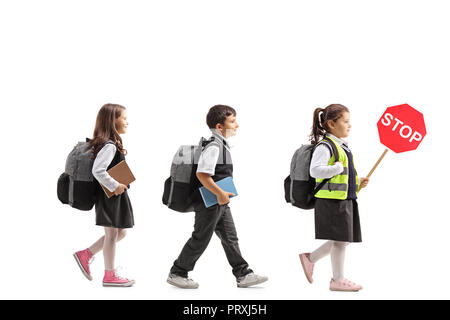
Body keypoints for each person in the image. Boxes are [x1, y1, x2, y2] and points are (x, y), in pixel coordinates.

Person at [167, 105, 268, 289]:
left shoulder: (220, 144)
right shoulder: (214, 146)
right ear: (220, 126)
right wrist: (220, 193)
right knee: (201, 238)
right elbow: (202, 174)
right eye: (232, 121)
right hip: (209, 202)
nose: (237, 125)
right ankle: (178, 272)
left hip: (218, 202)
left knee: (230, 237)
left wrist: (221, 197)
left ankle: (243, 274)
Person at [299, 104, 369, 292]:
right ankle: (337, 279)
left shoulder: (341, 146)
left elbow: (342, 174)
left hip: (343, 198)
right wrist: (336, 168)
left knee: (343, 239)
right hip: (331, 200)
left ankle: (310, 258)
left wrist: (357, 181)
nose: (349, 125)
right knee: (340, 239)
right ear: (331, 123)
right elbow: (315, 170)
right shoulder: (326, 146)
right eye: (345, 121)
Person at [73, 103, 135, 287]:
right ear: (112, 121)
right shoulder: (110, 146)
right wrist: (115, 185)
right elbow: (98, 171)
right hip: (110, 195)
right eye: (124, 118)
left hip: (112, 195)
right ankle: (109, 275)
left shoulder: (109, 144)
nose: (127, 122)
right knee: (112, 235)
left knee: (120, 232)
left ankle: (86, 254)